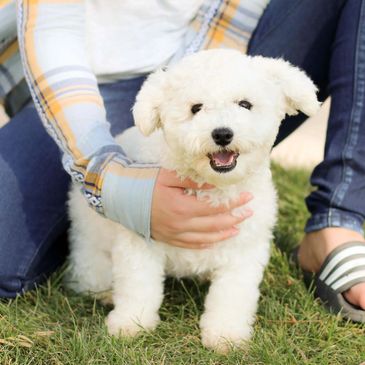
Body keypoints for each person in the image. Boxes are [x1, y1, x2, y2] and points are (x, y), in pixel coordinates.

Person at [0, 0, 364, 321]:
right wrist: (108, 179)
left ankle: (338, 220)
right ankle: (99, 237)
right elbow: (50, 26)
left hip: (242, 62)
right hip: (98, 78)